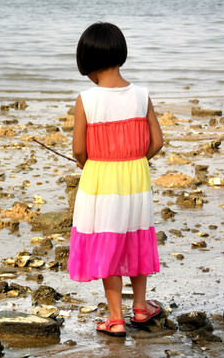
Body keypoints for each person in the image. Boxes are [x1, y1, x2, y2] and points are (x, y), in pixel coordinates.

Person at [67, 22, 164, 337]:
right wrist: (134, 162)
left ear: (86, 61)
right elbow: (158, 142)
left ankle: (115, 317)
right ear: (121, 53)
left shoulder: (87, 99)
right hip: (136, 179)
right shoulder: (141, 94)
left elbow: (79, 149)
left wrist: (93, 166)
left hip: (101, 181)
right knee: (135, 238)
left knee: (109, 243)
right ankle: (140, 308)